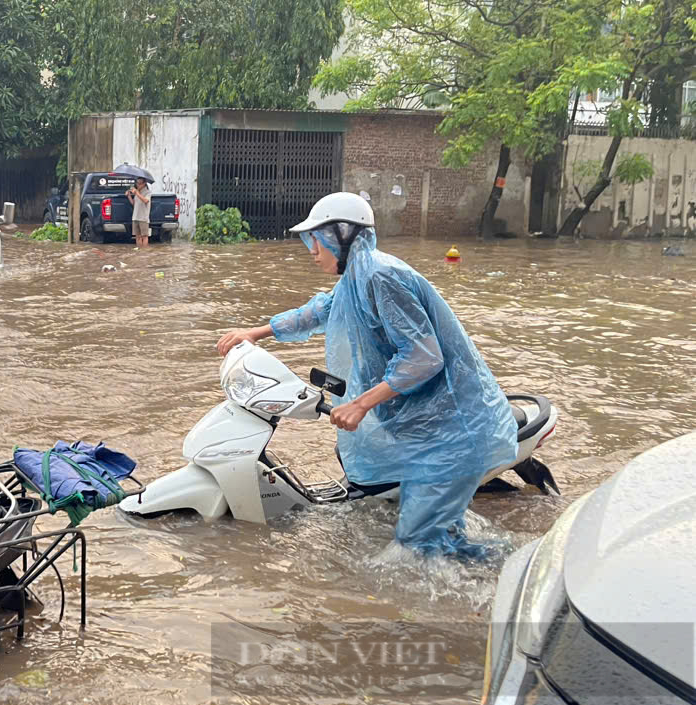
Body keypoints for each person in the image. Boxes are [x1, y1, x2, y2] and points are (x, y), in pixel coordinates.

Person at [216, 192, 516, 558]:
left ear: (343, 235)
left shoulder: (381, 276)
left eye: (318, 238)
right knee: (441, 544)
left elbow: (423, 357)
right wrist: (255, 333)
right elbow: (318, 311)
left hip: (453, 433)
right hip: (427, 433)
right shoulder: (357, 279)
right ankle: (503, 564)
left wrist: (359, 405)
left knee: (411, 551)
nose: (312, 249)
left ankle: (519, 574)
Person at [127, 177, 152, 249]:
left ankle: (144, 251)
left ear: (144, 184)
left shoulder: (148, 192)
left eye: (140, 183)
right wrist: (129, 196)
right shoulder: (137, 191)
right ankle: (139, 251)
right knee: (137, 236)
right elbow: (134, 204)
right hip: (135, 217)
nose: (138, 185)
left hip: (143, 218)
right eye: (137, 183)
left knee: (144, 236)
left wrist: (137, 193)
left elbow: (146, 201)